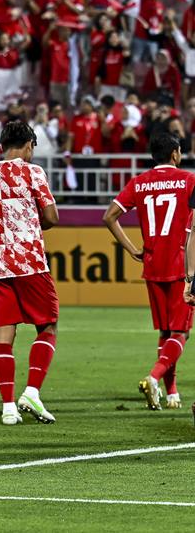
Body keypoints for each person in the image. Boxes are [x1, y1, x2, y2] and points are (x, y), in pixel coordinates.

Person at [0, 121, 60, 426]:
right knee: (48, 326)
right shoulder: (33, 172)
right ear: (29, 145)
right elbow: (51, 217)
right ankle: (32, 391)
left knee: (4, 335)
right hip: (30, 262)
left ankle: (8, 407)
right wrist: (30, 223)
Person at [103, 132, 195, 410]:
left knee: (166, 330)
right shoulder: (189, 180)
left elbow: (109, 216)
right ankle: (154, 378)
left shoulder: (139, 182)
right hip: (181, 265)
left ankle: (172, 393)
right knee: (181, 332)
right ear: (176, 153)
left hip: (153, 265)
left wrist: (132, 249)